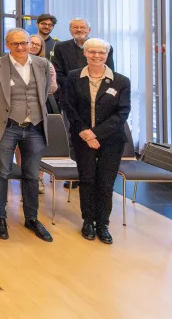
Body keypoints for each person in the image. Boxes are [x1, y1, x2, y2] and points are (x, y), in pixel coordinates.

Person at [0, 28, 54, 242]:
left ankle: (31, 218)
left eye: (24, 43)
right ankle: (0, 218)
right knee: (2, 172)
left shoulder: (42, 64)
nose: (21, 47)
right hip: (8, 126)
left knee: (32, 175)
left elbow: (44, 93)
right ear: (7, 45)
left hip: (35, 127)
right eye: (15, 44)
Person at [61, 39, 130, 245]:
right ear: (85, 53)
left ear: (107, 55)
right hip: (82, 138)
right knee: (87, 180)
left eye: (101, 52)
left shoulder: (121, 81)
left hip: (112, 140)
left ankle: (103, 224)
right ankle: (88, 221)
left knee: (106, 182)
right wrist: (85, 132)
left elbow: (122, 113)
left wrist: (95, 134)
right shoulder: (74, 77)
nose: (96, 56)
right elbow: (68, 106)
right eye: (92, 52)